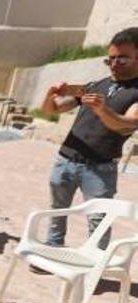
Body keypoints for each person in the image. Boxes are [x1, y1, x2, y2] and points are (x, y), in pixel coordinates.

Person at [40, 27, 138, 252]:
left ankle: (93, 265)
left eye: (122, 58)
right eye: (110, 59)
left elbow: (126, 123)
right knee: (57, 210)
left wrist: (102, 110)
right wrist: (51, 95)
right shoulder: (95, 84)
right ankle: (52, 250)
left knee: (99, 221)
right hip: (65, 159)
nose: (114, 64)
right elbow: (51, 110)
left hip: (100, 167)